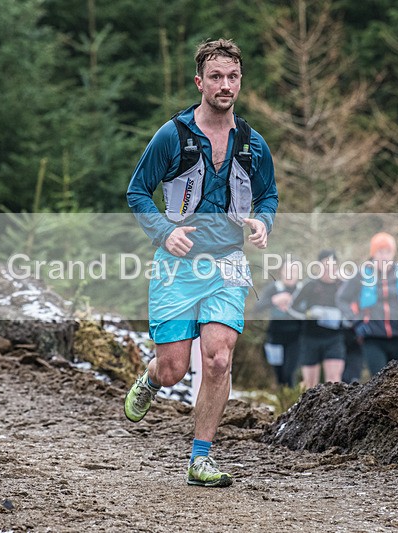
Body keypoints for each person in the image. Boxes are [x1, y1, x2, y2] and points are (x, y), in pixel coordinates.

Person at [124, 38, 278, 487]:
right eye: (216, 77)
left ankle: (201, 458)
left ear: (240, 81)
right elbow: (137, 192)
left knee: (217, 360)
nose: (224, 84)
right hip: (177, 265)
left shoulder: (252, 143)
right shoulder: (172, 135)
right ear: (200, 82)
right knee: (174, 368)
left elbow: (267, 195)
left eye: (232, 77)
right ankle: (152, 379)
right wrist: (164, 231)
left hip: (228, 262)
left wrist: (263, 222)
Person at [336, 232, 398, 378]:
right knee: (380, 378)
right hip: (371, 335)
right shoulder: (362, 274)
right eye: (380, 252)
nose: (384, 256)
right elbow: (342, 298)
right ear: (373, 254)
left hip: (397, 334)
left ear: (393, 253)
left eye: (388, 252)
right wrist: (356, 321)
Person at [290, 249, 346, 388]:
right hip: (310, 338)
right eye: (325, 265)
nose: (328, 269)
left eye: (332, 265)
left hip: (334, 338)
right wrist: (309, 314)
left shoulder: (343, 286)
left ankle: (334, 409)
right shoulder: (310, 285)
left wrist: (344, 317)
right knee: (310, 385)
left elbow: (354, 308)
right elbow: (292, 306)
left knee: (334, 382)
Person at [253, 259, 303, 387]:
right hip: (274, 337)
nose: (291, 274)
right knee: (279, 375)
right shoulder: (274, 288)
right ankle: (282, 401)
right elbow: (257, 307)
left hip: (296, 337)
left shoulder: (302, 290)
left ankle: (291, 402)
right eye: (288, 270)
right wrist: (274, 300)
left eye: (295, 271)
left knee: (289, 373)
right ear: (281, 272)